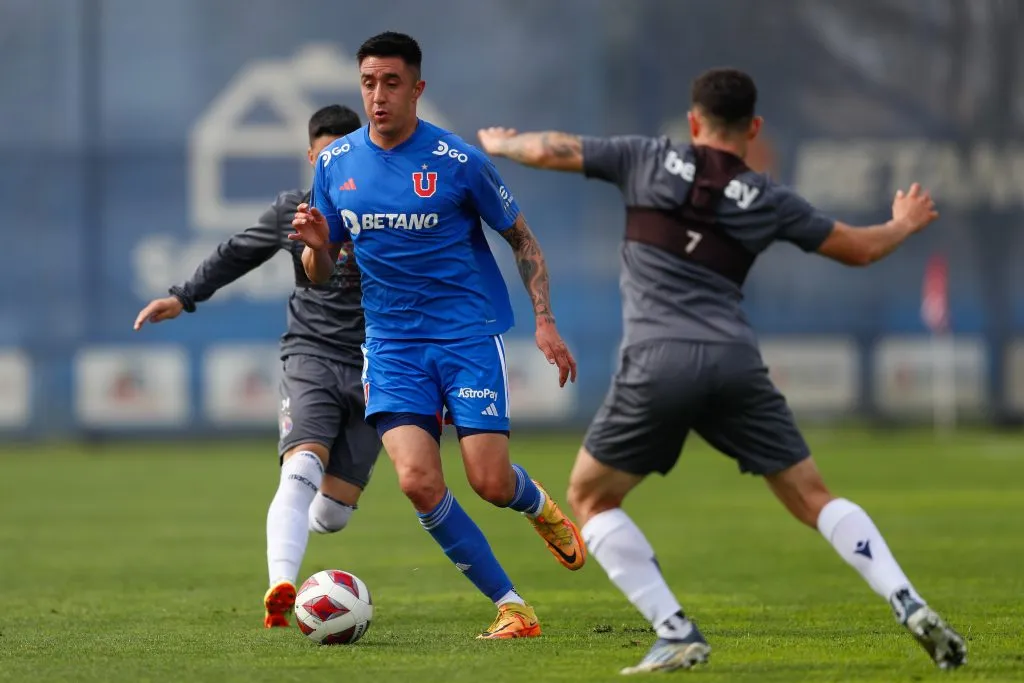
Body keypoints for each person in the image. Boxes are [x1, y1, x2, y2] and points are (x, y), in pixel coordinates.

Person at [477, 67, 967, 672]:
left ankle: (674, 628)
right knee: (814, 496)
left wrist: (503, 144)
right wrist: (906, 222)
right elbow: (861, 249)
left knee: (590, 495)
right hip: (736, 362)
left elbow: (553, 148)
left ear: (692, 121)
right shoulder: (768, 198)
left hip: (657, 362)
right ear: (753, 127)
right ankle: (904, 596)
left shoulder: (646, 159)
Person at [289, 31, 583, 640]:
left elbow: (522, 240)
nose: (378, 96)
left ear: (417, 88)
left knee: (489, 482)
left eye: (391, 83)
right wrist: (318, 250)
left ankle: (535, 504)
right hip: (393, 346)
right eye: (368, 83)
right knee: (418, 482)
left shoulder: (458, 162)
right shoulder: (335, 164)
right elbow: (320, 276)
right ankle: (513, 607)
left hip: (465, 337)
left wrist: (545, 320)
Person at [133, 104, 379, 630]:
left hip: (377, 366)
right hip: (311, 354)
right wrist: (184, 296)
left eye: (344, 152)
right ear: (312, 156)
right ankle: (281, 587)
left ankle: (306, 523)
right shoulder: (295, 210)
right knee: (301, 467)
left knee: (333, 516)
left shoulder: (386, 208)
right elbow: (236, 252)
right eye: (325, 154)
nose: (335, 162)